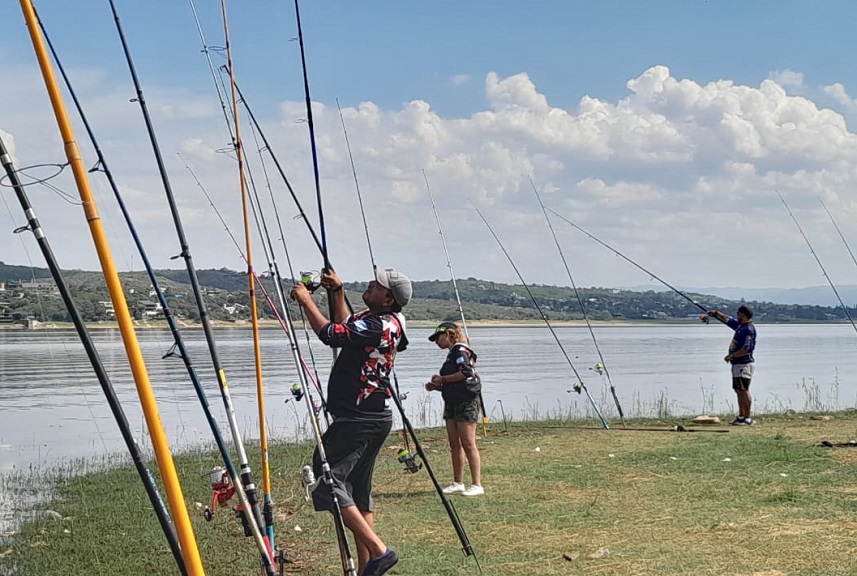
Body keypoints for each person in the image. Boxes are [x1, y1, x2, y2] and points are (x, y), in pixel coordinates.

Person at [290, 267, 412, 576]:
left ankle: (380, 551)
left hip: (359, 418)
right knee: (358, 491)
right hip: (373, 416)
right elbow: (346, 326)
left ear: (388, 299)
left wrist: (306, 300)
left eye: (378, 285)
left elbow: (331, 335)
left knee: (326, 476)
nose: (371, 284)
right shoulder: (388, 321)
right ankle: (366, 567)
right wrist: (338, 292)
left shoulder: (378, 325)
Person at [424, 321, 484, 496]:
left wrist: (443, 379)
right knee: (454, 444)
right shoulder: (452, 354)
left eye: (438, 337)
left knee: (468, 443)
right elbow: (455, 382)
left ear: (449, 334)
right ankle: (458, 482)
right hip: (452, 402)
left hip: (466, 402)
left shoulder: (460, 350)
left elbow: (467, 373)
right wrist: (437, 386)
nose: (436, 342)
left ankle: (477, 484)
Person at [708, 305, 757, 426]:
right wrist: (716, 314)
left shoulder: (748, 330)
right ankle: (741, 417)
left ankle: (747, 417)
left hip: (744, 364)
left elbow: (746, 349)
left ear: (743, 315)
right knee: (738, 390)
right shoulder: (740, 326)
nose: (737, 316)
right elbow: (728, 320)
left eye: (738, 314)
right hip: (737, 364)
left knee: (743, 389)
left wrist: (732, 356)